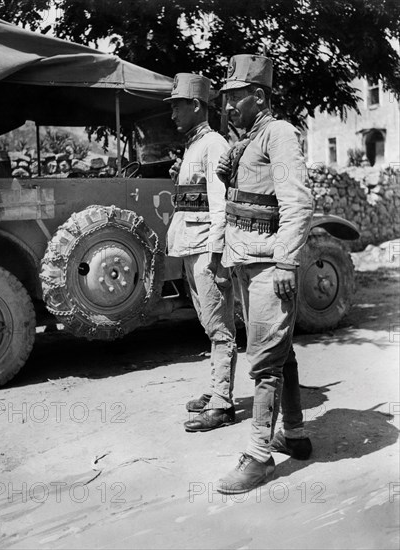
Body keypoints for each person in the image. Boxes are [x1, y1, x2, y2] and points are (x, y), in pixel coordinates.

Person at [215, 54, 313, 494]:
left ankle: (258, 456)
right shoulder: (246, 139)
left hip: (270, 263)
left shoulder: (280, 134)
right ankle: (293, 433)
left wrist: (287, 262)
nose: (229, 105)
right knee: (280, 350)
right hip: (246, 259)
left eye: (236, 96)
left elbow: (298, 203)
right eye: (226, 97)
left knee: (265, 362)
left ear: (259, 95)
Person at [164, 73, 237, 432]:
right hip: (191, 248)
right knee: (210, 326)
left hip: (207, 250)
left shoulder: (215, 146)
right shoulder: (194, 147)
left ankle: (223, 404)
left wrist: (218, 255)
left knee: (221, 328)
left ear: (196, 106)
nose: (173, 114)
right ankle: (217, 389)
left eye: (178, 106)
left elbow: (221, 205)